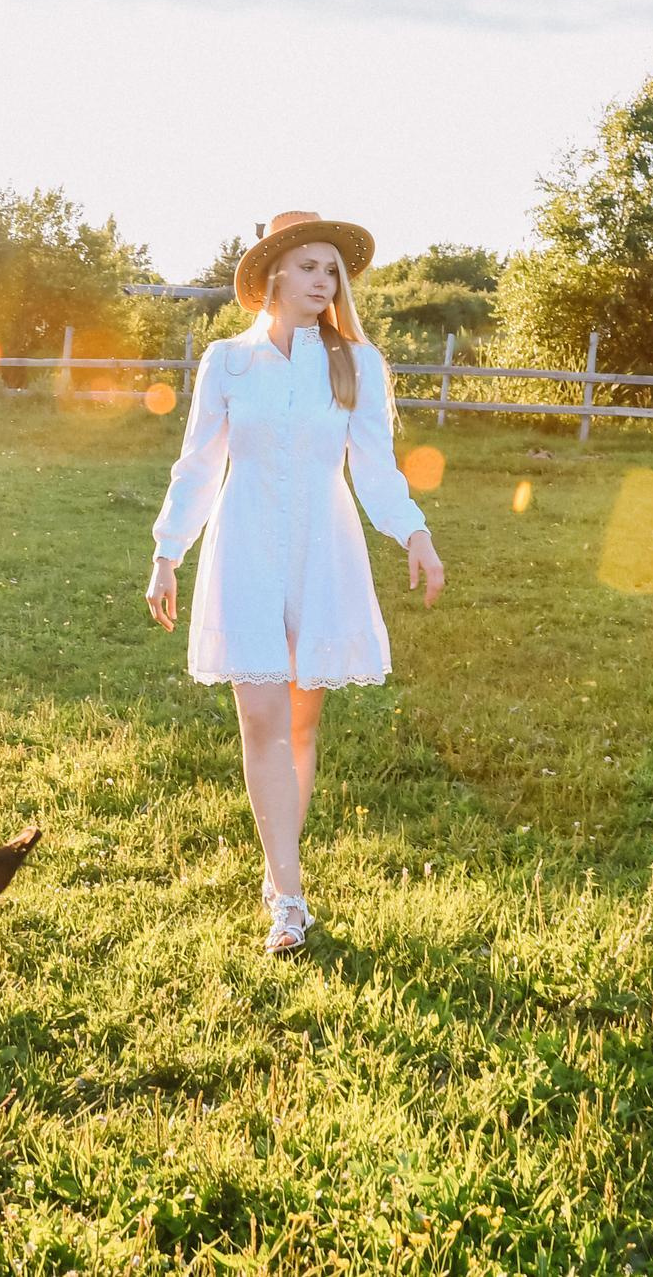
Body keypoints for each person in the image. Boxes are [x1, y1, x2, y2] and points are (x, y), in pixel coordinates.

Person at [144, 210, 446, 955]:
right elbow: (199, 464)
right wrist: (167, 550)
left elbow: (375, 467)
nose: (324, 280)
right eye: (310, 265)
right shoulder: (227, 362)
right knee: (261, 722)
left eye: (332, 270)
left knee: (300, 727)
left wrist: (416, 531)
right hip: (243, 544)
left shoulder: (356, 364)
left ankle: (279, 868)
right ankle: (289, 895)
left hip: (325, 549)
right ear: (274, 273)